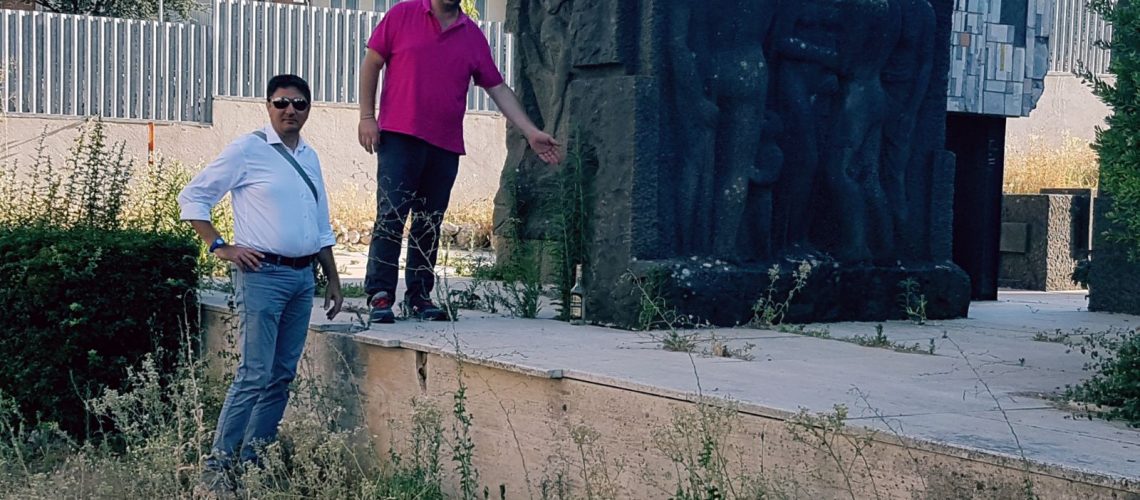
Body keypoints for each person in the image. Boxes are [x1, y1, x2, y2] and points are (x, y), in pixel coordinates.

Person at [178, 74, 344, 494]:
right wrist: (221, 246)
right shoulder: (248, 150)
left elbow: (320, 225)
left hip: (303, 277)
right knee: (254, 374)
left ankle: (254, 462)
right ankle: (217, 473)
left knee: (281, 375)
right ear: (268, 106)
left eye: (299, 103)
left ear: (309, 109)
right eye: (281, 102)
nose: (290, 110)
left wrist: (333, 278)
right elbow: (193, 198)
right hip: (262, 276)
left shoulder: (310, 156)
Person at [357, 0, 563, 324]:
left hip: (444, 144)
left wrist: (530, 131)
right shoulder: (403, 14)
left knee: (429, 222)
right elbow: (372, 62)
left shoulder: (472, 35)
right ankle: (380, 294)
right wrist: (367, 117)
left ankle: (419, 296)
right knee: (392, 215)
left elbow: (498, 88)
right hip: (399, 136)